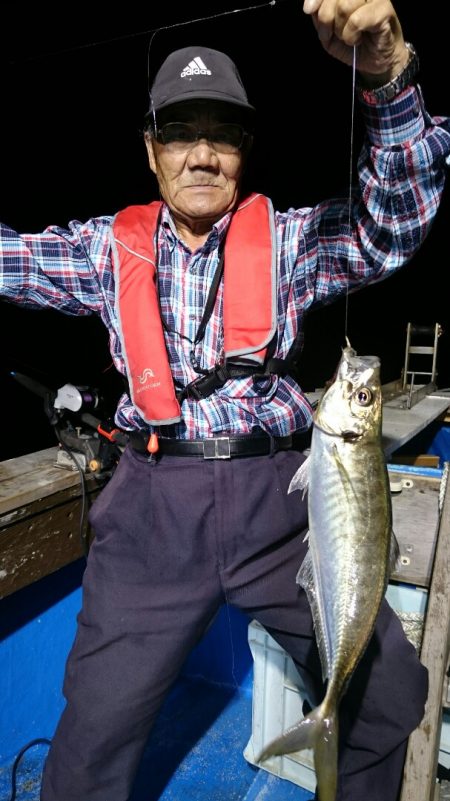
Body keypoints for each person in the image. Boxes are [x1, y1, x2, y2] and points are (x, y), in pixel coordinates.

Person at [1, 1, 449, 799]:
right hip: (150, 516)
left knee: (389, 696)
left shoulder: (290, 241)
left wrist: (387, 77)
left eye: (222, 132)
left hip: (281, 505)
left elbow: (394, 224)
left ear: (244, 150)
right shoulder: (106, 251)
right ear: (150, 150)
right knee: (91, 744)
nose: (201, 153)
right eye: (180, 131)